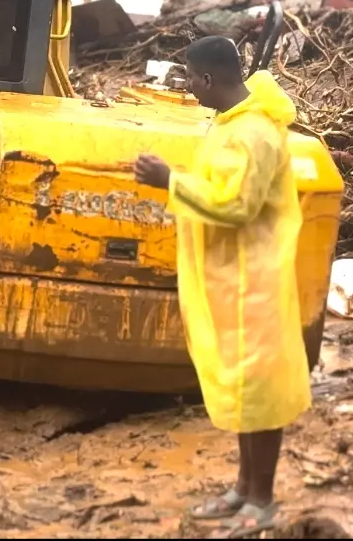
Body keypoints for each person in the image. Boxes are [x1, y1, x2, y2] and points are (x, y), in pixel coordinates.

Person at [133, 36, 311, 537]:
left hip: (254, 278)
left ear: (209, 79)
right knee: (241, 387)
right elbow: (219, 185)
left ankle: (263, 499)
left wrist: (169, 180)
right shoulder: (228, 124)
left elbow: (237, 205)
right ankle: (242, 488)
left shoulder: (253, 134)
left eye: (190, 78)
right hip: (230, 278)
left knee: (261, 391)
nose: (188, 88)